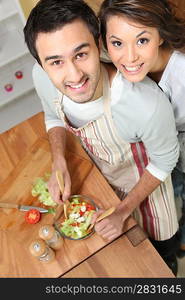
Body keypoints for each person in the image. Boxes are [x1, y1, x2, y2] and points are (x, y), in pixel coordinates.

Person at [24, 0, 180, 275]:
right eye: (56, 62)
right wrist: (59, 159)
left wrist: (123, 211)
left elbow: (164, 161)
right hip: (101, 188)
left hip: (150, 199)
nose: (73, 75)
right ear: (40, 63)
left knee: (158, 263)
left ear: (98, 44)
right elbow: (52, 116)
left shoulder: (145, 104)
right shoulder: (42, 77)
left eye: (81, 54)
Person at [99, 0, 185, 259]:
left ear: (160, 35)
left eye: (142, 40)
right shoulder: (112, 63)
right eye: (117, 43)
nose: (130, 57)